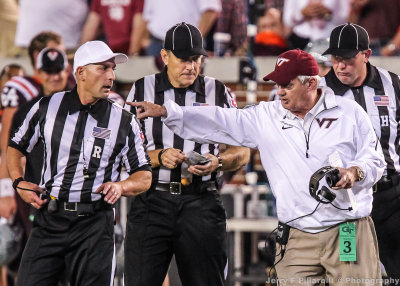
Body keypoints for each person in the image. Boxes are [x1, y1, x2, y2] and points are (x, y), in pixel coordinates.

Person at [129, 49, 386, 285]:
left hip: (346, 230)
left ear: (311, 82)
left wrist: (354, 172)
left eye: (287, 84)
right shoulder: (267, 116)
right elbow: (220, 119)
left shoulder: (348, 112)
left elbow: (375, 160)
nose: (280, 91)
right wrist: (167, 112)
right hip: (297, 237)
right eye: (277, 84)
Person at [7, 40, 152, 286]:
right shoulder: (47, 107)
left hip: (95, 225)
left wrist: (121, 186)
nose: (111, 76)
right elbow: (16, 147)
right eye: (103, 68)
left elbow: (144, 175)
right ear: (81, 73)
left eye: (112, 69)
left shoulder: (124, 121)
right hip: (50, 218)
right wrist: (19, 182)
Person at [123, 22, 250, 286]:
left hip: (201, 201)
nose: (191, 67)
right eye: (183, 59)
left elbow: (242, 151)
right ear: (165, 56)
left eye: (196, 59)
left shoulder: (219, 92)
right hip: (152, 201)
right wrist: (158, 157)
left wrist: (218, 162)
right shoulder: (141, 89)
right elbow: (123, 151)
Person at [320, 22, 400, 281]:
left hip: (391, 197)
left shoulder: (392, 84)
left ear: (366, 55)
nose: (341, 65)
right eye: (336, 58)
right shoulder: (319, 92)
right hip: (345, 206)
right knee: (350, 273)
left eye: (349, 58)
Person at [79, 0, 144, 55]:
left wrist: (133, 53)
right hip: (110, 49)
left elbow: (139, 26)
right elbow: (91, 25)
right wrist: (80, 53)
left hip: (129, 49)